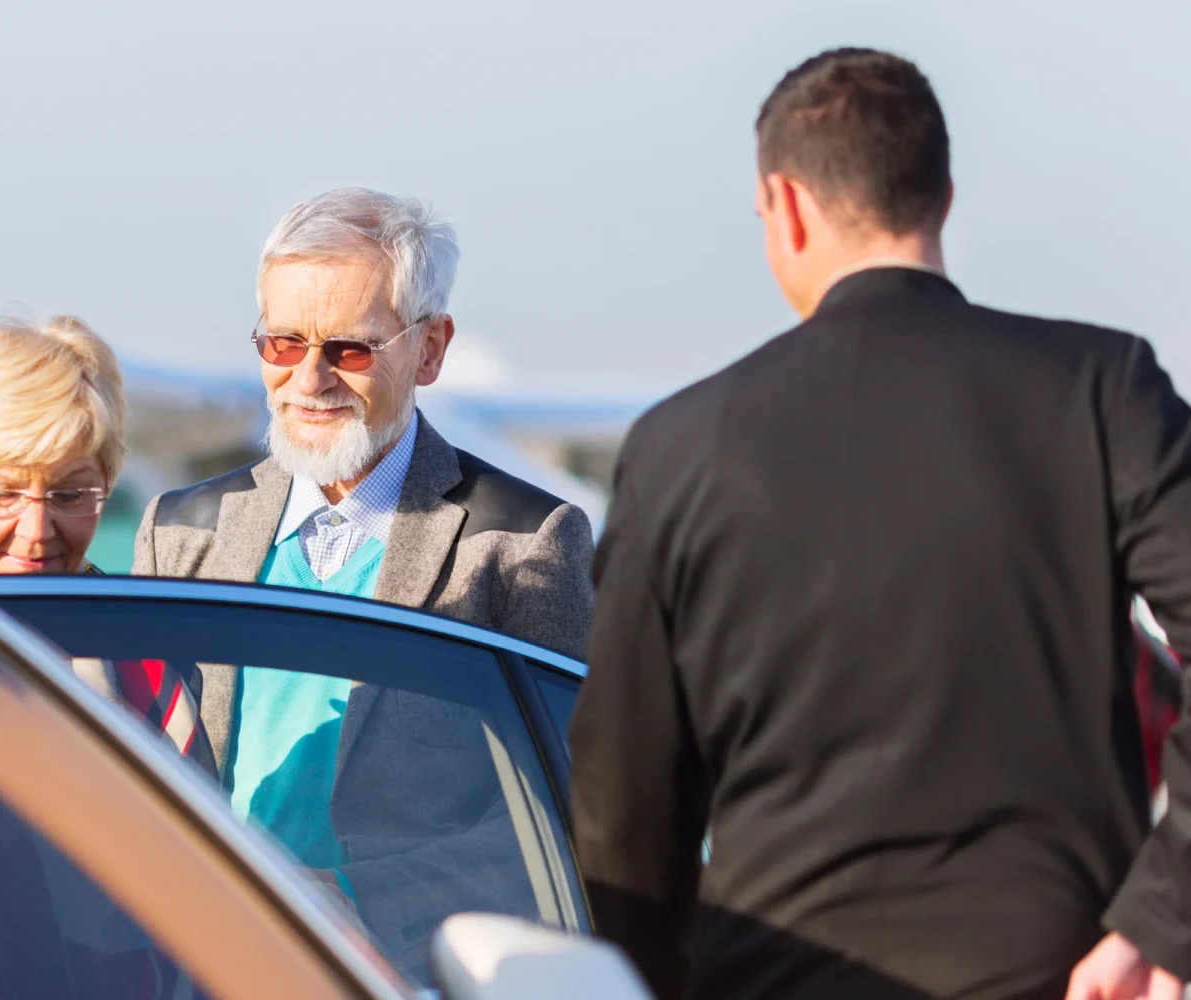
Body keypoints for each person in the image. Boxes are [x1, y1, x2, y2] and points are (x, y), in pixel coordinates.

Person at [569, 47, 1191, 1000]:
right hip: (1054, 974)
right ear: (942, 197)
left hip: (774, 978)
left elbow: (625, 794)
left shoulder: (679, 447)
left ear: (785, 204)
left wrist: (649, 979)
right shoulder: (1105, 392)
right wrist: (1157, 919)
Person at [133, 187, 594, 970]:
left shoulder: (522, 545)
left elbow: (570, 812)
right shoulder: (181, 534)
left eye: (348, 349)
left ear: (431, 349)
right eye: (283, 344)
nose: (309, 380)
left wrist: (358, 899)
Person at [0, 311, 214, 772]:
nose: (37, 531)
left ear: (108, 481)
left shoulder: (151, 671)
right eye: (4, 493)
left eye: (70, 494)